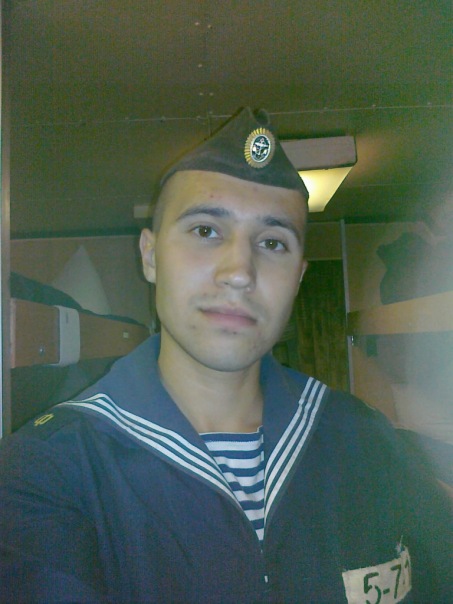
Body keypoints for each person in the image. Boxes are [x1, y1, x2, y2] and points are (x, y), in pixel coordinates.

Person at [0, 107, 451, 603]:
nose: (239, 271)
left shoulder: (366, 439)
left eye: (273, 242)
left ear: (298, 277)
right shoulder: (45, 471)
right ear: (150, 256)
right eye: (205, 231)